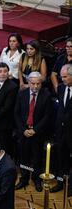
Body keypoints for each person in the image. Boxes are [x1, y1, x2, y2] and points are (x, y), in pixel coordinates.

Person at [14, 71, 52, 192]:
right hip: (23, 132)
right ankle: (24, 178)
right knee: (23, 157)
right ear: (28, 82)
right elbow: (16, 114)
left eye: (38, 84)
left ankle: (36, 179)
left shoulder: (46, 96)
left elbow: (47, 117)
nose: (35, 86)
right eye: (33, 83)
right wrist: (23, 130)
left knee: (37, 158)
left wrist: (35, 130)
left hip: (38, 133)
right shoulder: (22, 94)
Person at [51, 64, 72, 196]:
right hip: (60, 131)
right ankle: (60, 182)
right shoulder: (61, 88)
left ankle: (71, 187)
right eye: (61, 76)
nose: (62, 79)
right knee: (60, 157)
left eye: (65, 77)